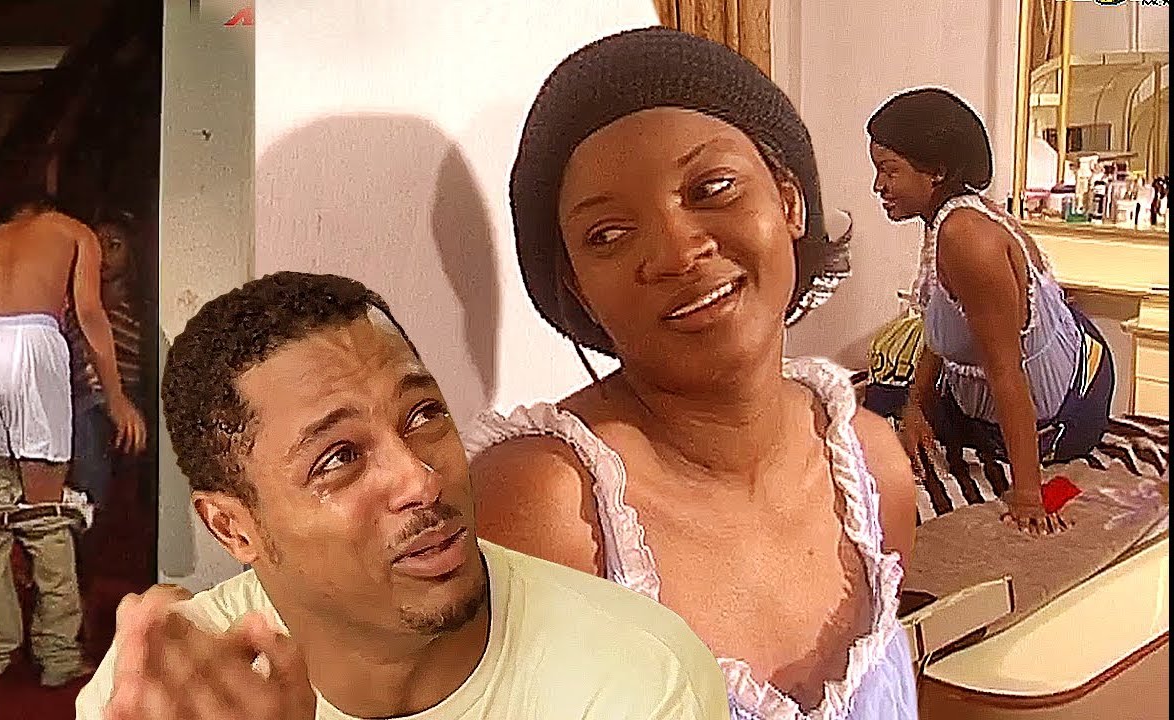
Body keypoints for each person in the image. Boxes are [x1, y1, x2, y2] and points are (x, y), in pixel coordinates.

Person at [464, 28, 919, 720]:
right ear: (578, 287)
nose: (678, 253)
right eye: (608, 234)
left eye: (712, 188)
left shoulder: (872, 468)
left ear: (789, 202)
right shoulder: (550, 513)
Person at [76, 272, 731, 720]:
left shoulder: (637, 679)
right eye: (339, 458)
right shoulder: (170, 692)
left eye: (423, 415)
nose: (420, 480)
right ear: (232, 528)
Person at [867, 87, 1115, 536]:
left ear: (937, 171)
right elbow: (943, 324)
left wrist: (1028, 496)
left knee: (874, 414)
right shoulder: (944, 219)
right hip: (1018, 372)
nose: (877, 186)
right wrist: (916, 407)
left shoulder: (967, 238)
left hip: (1071, 403)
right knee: (882, 402)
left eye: (889, 171)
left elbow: (1006, 372)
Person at [0, 195, 147, 686]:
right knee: (46, 512)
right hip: (32, 343)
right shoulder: (72, 231)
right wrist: (117, 399)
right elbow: (90, 314)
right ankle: (57, 658)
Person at [69, 210, 146, 515]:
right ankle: (88, 508)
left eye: (114, 246)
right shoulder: (76, 306)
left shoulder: (139, 311)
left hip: (129, 397)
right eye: (97, 245)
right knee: (87, 417)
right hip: (83, 398)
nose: (103, 255)